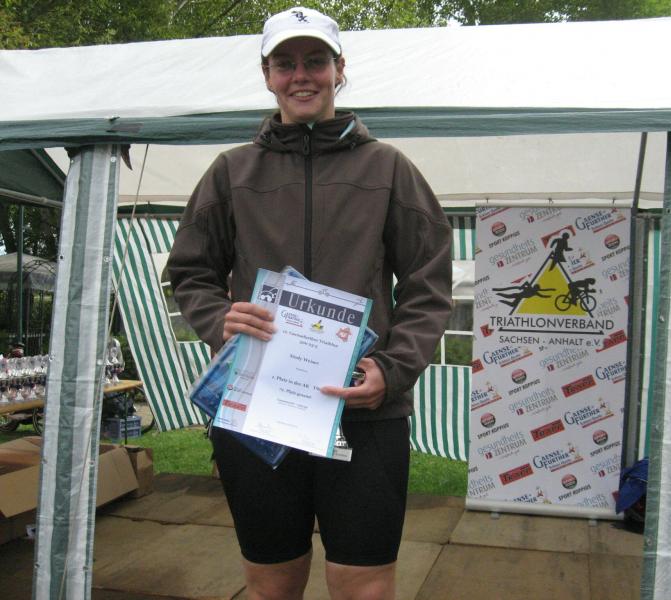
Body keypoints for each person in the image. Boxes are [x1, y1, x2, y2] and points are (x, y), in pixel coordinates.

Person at [166, 6, 452, 600]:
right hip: (259, 410)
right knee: (272, 583)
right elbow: (190, 271)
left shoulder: (388, 168)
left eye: (316, 61)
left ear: (339, 69)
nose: (302, 75)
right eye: (286, 63)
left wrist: (393, 369)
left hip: (366, 414)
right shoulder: (231, 172)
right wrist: (219, 318)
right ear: (267, 75)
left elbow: (428, 283)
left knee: (364, 586)